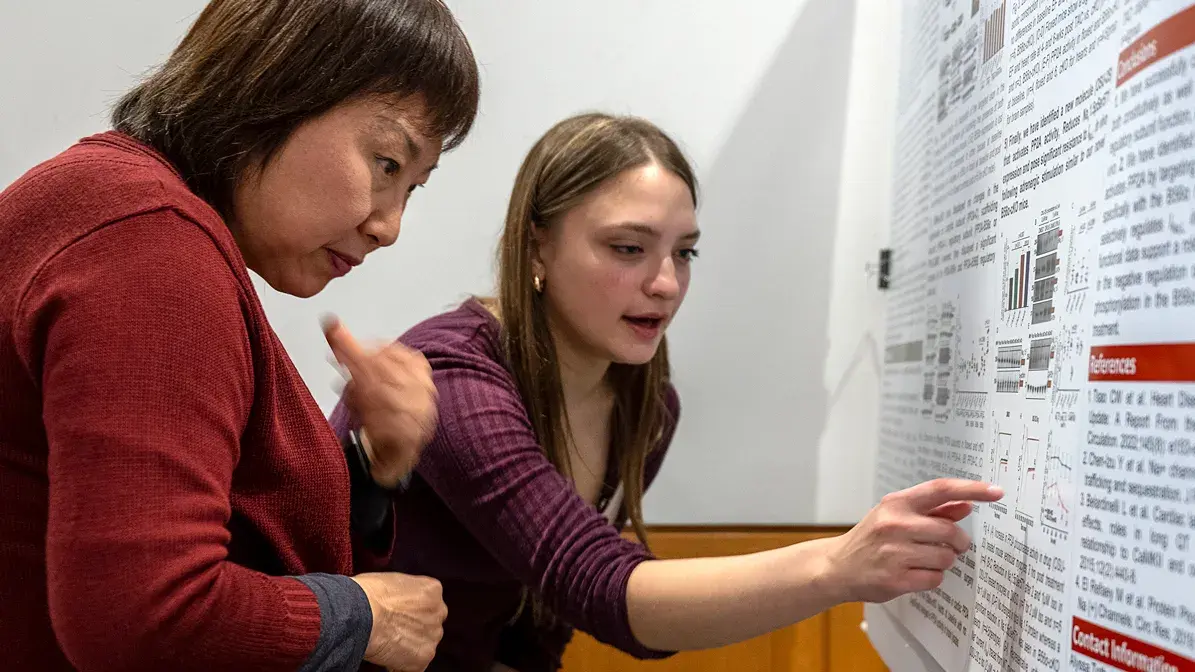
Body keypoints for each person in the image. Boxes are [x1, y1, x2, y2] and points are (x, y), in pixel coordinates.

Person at [329, 112, 1005, 671]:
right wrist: (836, 564)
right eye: (628, 249)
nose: (665, 283)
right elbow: (595, 585)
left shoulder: (646, 410)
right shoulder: (456, 372)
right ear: (535, 249)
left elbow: (541, 626)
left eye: (685, 251)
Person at [0, 1, 480, 670]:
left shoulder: (124, 212)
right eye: (387, 163)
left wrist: (373, 468)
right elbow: (142, 617)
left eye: (413, 186)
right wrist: (361, 616)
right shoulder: (150, 248)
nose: (388, 225)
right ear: (278, 87)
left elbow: (233, 528)